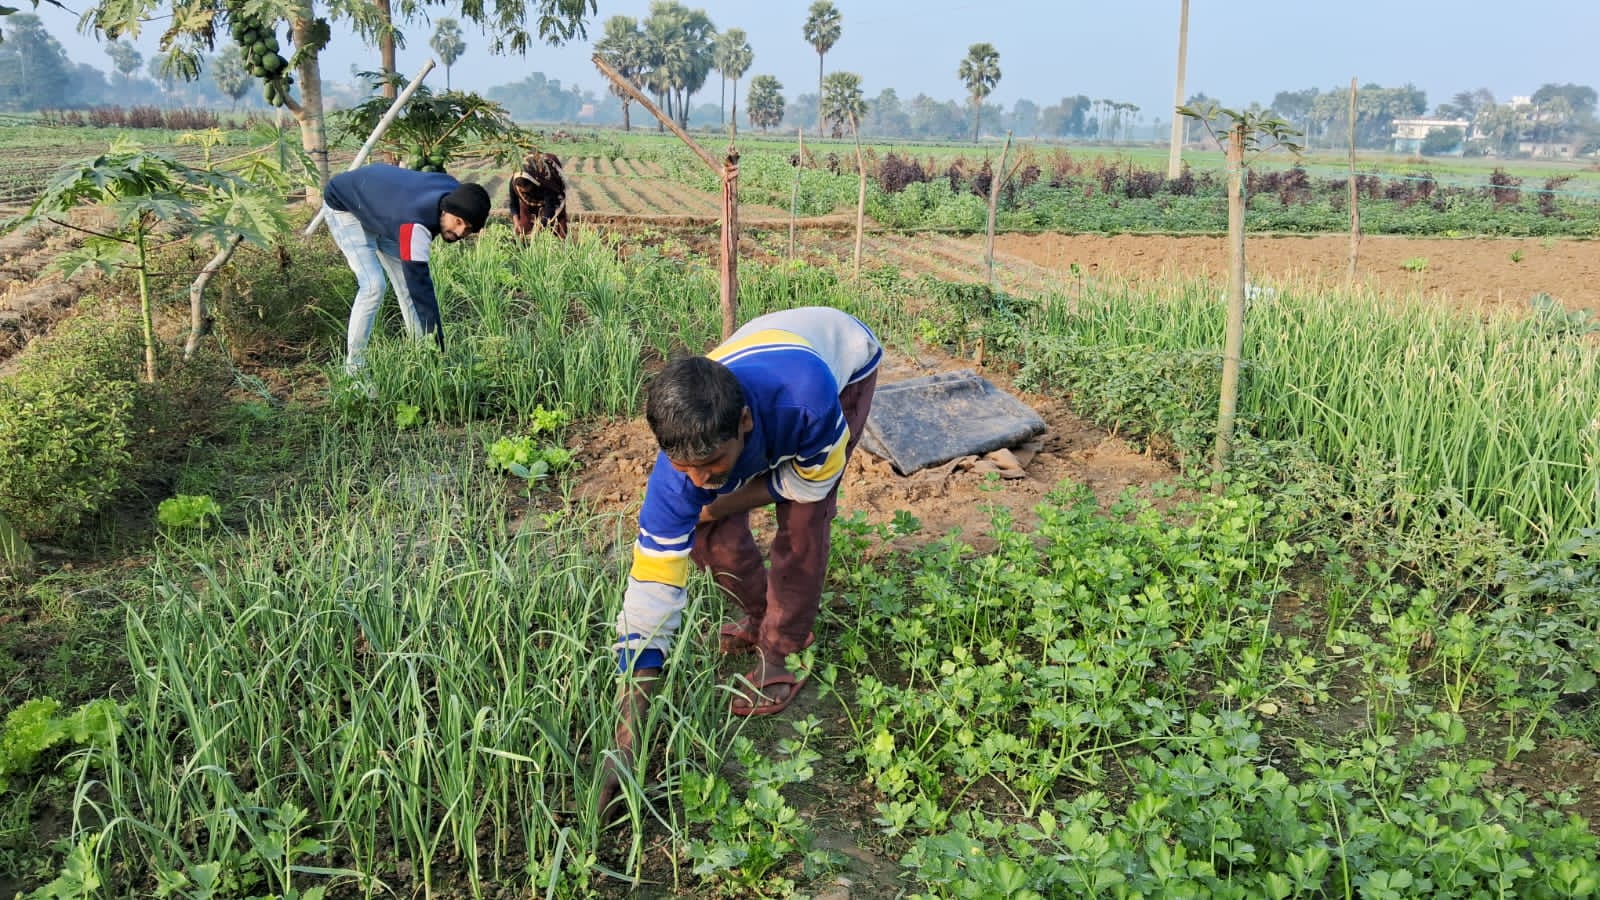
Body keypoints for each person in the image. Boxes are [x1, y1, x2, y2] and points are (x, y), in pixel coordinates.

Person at [600, 306, 881, 815]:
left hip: (842, 364)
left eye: (712, 465)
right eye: (685, 468)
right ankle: (757, 618)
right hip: (770, 370)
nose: (698, 478)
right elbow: (650, 595)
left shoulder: (806, 403)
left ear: (745, 422)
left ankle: (785, 648)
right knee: (704, 524)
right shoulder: (681, 463)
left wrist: (721, 500)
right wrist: (626, 739)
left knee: (801, 529)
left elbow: (805, 485)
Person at [321, 163, 491, 373]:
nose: (459, 232)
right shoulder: (416, 225)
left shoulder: (455, 193)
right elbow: (422, 292)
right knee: (374, 286)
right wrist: (440, 347)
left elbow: (413, 289)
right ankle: (354, 371)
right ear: (446, 209)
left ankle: (425, 360)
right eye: (457, 223)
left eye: (468, 229)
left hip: (384, 210)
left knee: (405, 286)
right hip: (346, 204)